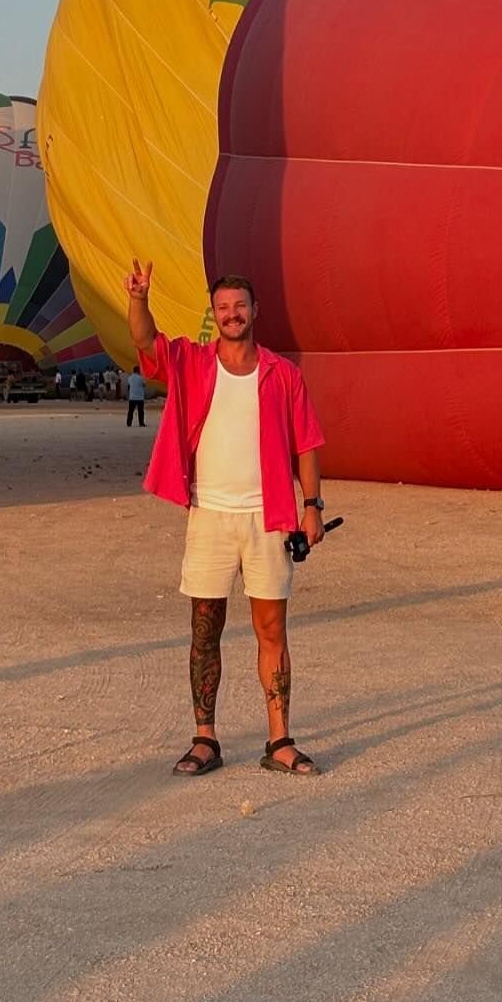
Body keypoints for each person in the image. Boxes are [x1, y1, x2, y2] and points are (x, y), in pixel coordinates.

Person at [126, 259, 326, 778]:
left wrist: (312, 506)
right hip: (210, 515)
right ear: (213, 316)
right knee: (204, 628)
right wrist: (139, 299)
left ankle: (279, 739)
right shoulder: (192, 363)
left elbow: (306, 444)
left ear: (255, 311)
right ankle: (205, 738)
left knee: (271, 630)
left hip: (268, 517)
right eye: (223, 308)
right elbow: (147, 342)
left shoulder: (284, 375)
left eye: (240, 306)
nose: (232, 315)